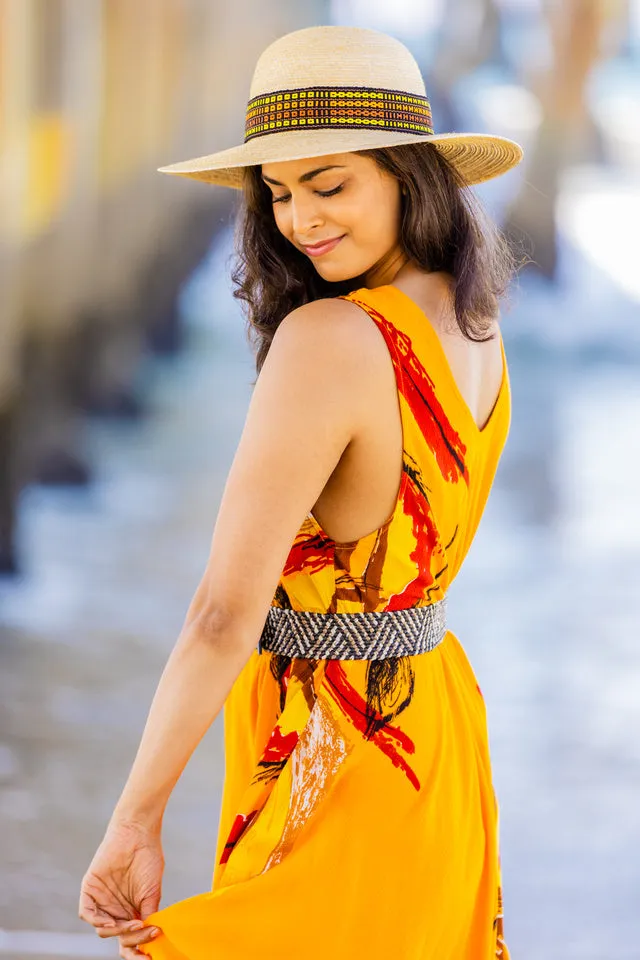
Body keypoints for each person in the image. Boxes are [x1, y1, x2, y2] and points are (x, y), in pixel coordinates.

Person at [78, 24, 523, 960]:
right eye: (277, 192)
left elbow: (219, 617)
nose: (300, 219)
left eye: (331, 184)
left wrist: (134, 819)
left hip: (341, 744)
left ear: (410, 175)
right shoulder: (477, 329)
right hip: (430, 735)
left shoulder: (329, 337)